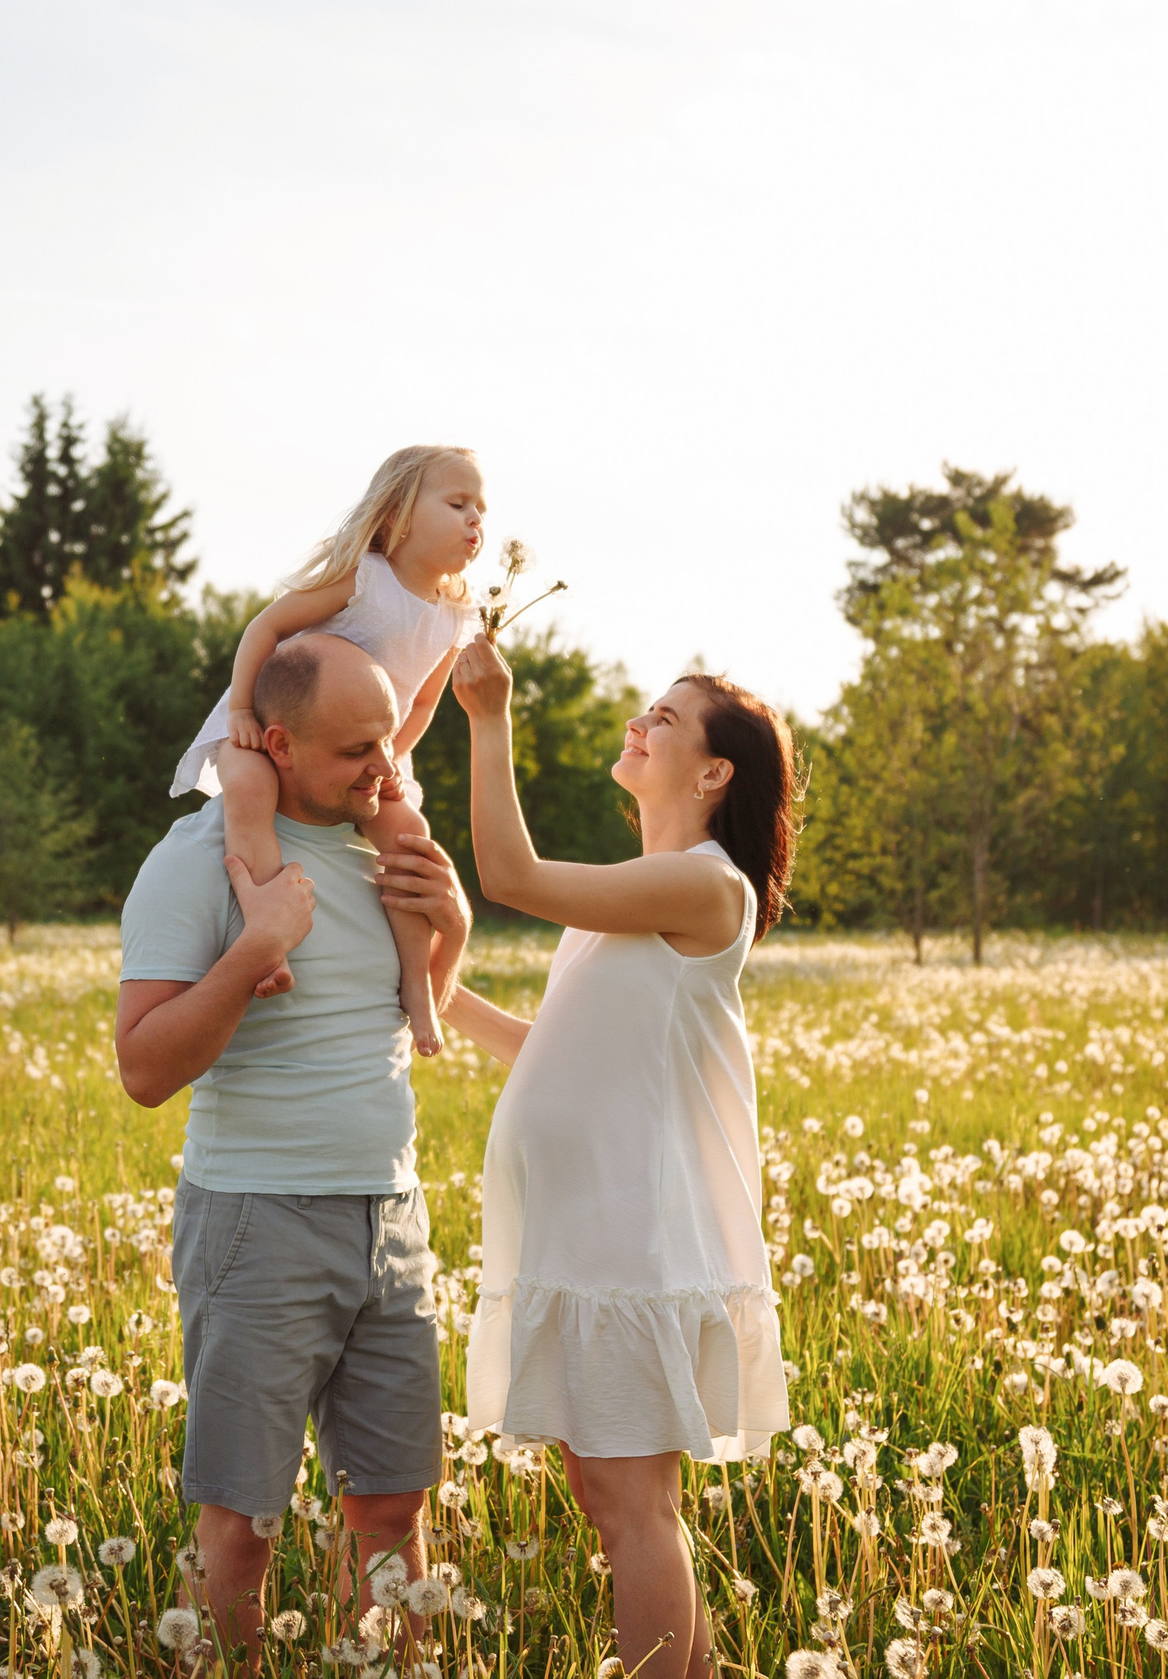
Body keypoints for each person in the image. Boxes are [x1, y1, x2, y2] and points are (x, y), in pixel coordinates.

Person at [442, 636, 800, 1679]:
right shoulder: (646, 887)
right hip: (589, 1230)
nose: (637, 724)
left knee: (631, 1507)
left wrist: (488, 714)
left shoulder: (703, 887)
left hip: (631, 1236)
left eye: (664, 718)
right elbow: (556, 1048)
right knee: (617, 1502)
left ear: (713, 772)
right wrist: (439, 998)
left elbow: (506, 874)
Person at [117, 633, 474, 1669]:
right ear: (274, 742)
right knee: (243, 1520)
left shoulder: (385, 843)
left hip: (391, 1219)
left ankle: (403, 1664)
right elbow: (143, 1070)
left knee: (396, 1506)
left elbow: (409, 1018)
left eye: (389, 741)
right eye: (353, 749)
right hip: (256, 1219)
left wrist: (452, 926)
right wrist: (254, 947)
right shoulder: (199, 859)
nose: (384, 767)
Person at [171, 444, 486, 1060]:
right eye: (457, 503)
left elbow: (420, 706)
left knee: (409, 832)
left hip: (369, 751)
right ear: (398, 514)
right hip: (269, 726)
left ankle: (418, 986)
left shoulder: (456, 616)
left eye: (481, 508)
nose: (475, 519)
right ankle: (268, 941)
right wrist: (240, 710)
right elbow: (266, 628)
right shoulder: (366, 578)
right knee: (252, 791)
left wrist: (388, 760)